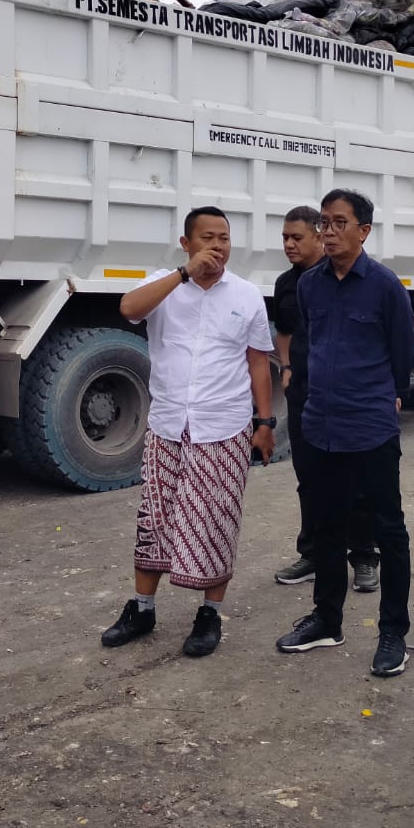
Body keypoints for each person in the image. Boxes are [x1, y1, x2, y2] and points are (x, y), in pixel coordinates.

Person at [102, 207, 275, 658]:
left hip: (224, 427)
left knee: (217, 521)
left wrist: (265, 422)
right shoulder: (163, 285)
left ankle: (209, 615)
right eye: (207, 238)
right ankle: (142, 609)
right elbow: (128, 308)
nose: (217, 246)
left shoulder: (247, 295)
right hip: (168, 426)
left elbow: (258, 362)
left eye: (224, 238)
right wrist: (183, 274)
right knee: (154, 520)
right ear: (186, 243)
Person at [275, 189, 414, 678]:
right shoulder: (310, 286)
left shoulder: (385, 286)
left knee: (388, 531)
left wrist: (380, 398)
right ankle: (326, 620)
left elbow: (401, 357)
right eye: (324, 223)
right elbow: (309, 346)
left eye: (340, 223)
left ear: (364, 231)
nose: (329, 232)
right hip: (320, 426)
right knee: (327, 527)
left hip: (370, 428)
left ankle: (393, 632)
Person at [271, 206, 379, 592]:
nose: (289, 244)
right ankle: (313, 554)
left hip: (346, 396)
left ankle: (364, 555)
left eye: (297, 237)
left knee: (356, 479)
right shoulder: (287, 283)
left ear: (319, 237)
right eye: (284, 238)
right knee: (309, 477)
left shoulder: (343, 278)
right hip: (304, 395)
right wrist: (286, 367)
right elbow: (284, 330)